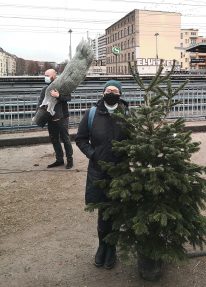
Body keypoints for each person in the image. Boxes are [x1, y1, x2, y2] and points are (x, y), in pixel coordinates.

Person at [75, 80, 129, 270]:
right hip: (98, 171)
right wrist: (93, 154)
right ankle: (102, 246)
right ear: (102, 93)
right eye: (108, 90)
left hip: (120, 172)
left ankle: (112, 248)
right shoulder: (92, 114)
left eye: (115, 91)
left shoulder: (127, 114)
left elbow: (135, 140)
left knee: (115, 210)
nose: (111, 93)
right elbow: (80, 139)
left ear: (120, 95)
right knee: (103, 211)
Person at [37, 69, 74, 169]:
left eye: (48, 75)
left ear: (54, 75)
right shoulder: (45, 89)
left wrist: (58, 96)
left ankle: (70, 160)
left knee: (65, 138)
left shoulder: (62, 86)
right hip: (50, 118)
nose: (46, 77)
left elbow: (68, 98)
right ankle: (59, 160)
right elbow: (40, 103)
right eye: (45, 75)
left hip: (63, 118)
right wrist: (37, 115)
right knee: (54, 139)